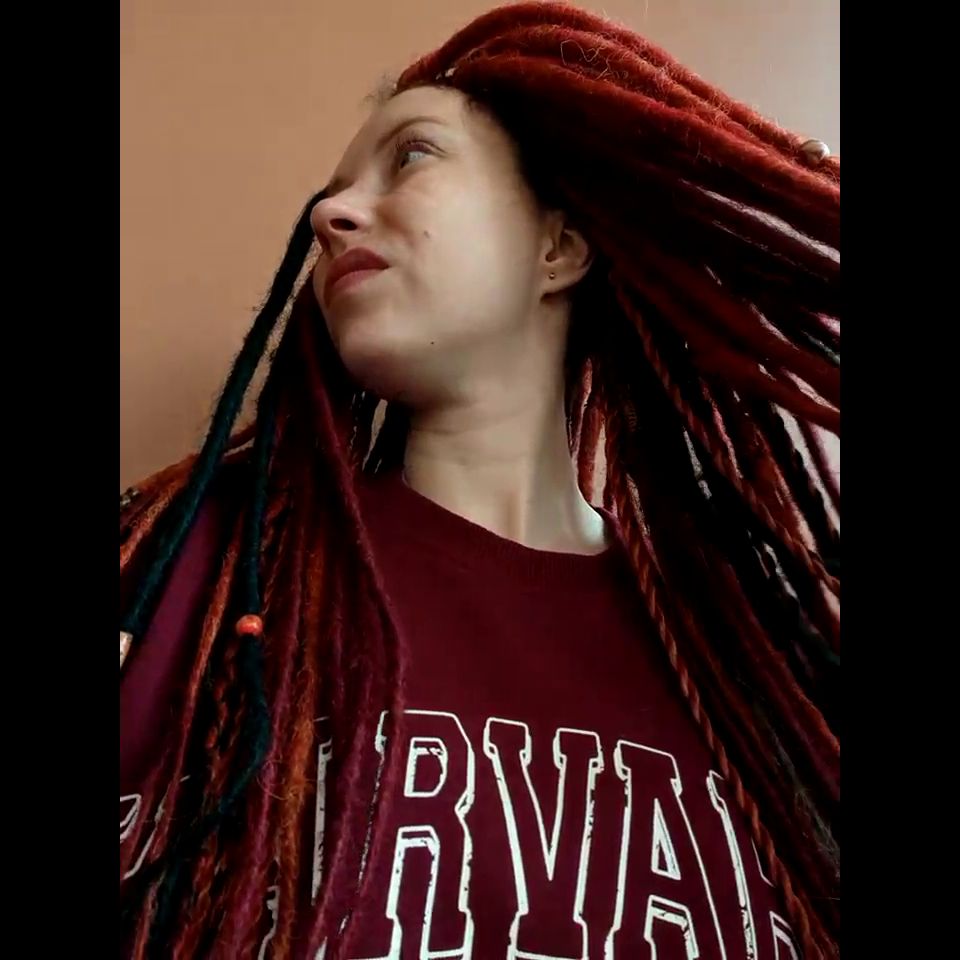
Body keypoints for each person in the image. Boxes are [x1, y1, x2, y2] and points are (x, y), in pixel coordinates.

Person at [119, 3, 840, 958]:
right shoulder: (198, 566)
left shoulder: (749, 656)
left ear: (558, 249)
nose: (329, 216)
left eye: (412, 156)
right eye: (332, 194)